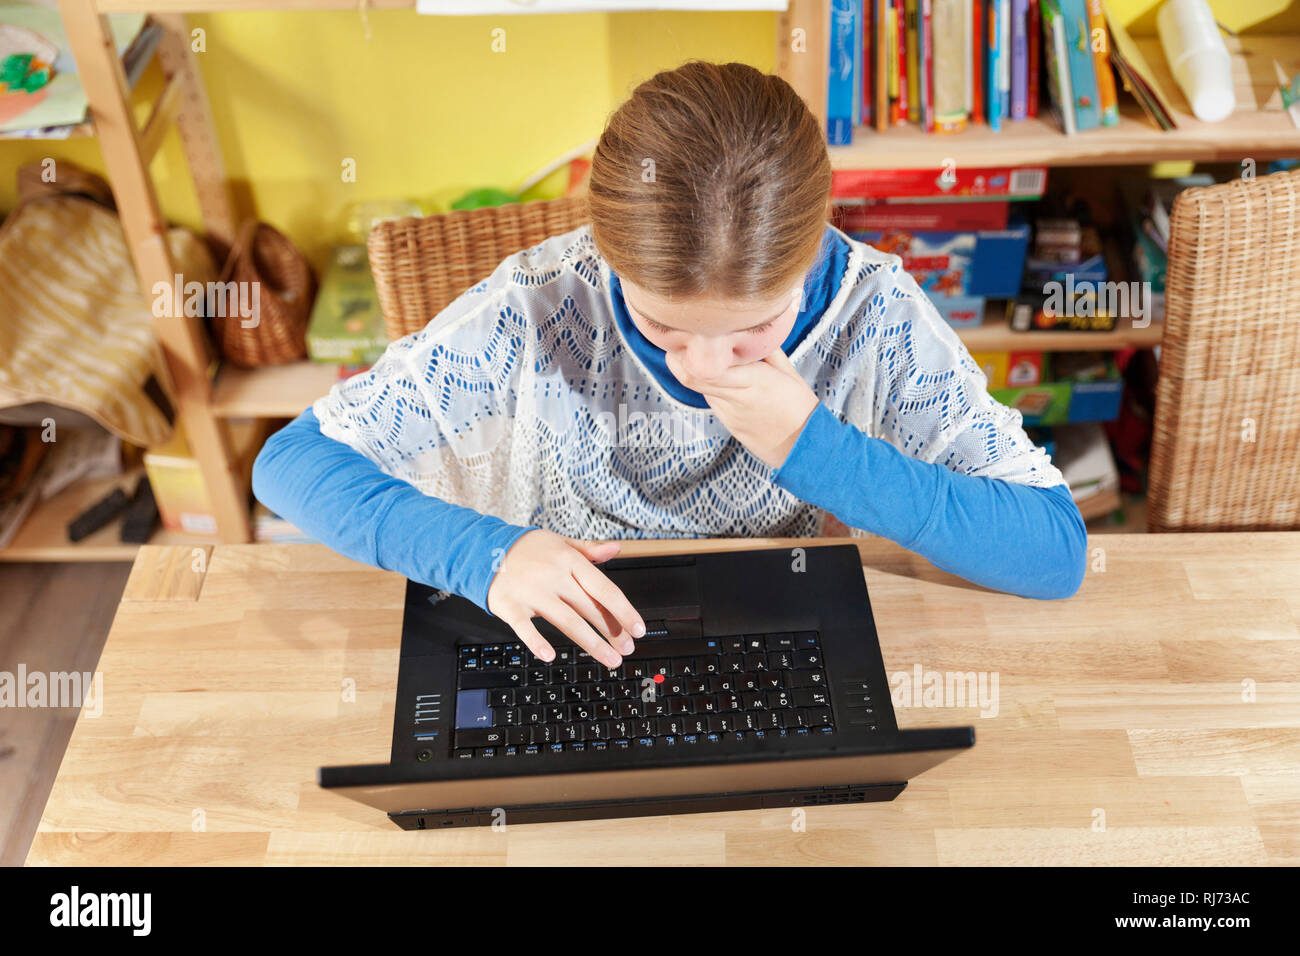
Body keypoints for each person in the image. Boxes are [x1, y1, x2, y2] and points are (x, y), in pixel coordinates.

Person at [252, 60, 1086, 673]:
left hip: (770, 624)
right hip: (568, 624)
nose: (701, 368)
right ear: (607, 257)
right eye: (663, 325)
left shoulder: (876, 312)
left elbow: (1053, 550)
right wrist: (486, 556)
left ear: (810, 261)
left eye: (754, 328)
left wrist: (819, 450)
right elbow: (292, 463)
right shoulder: (542, 301)